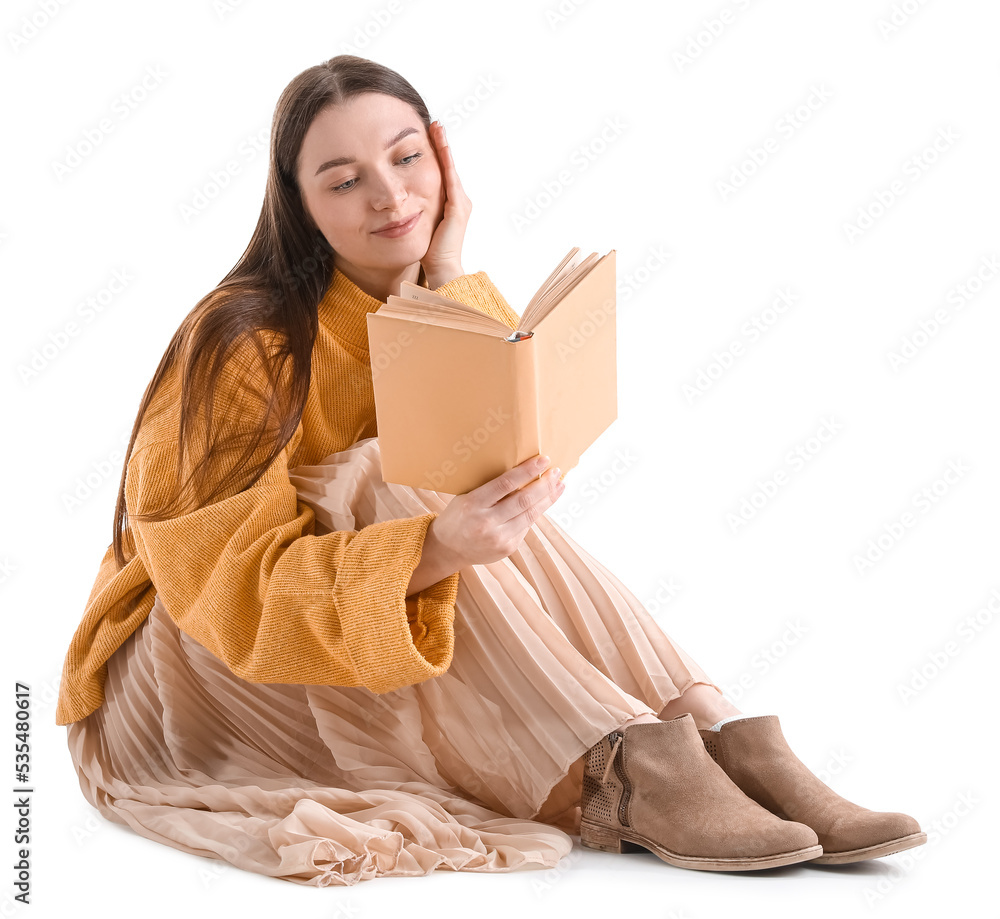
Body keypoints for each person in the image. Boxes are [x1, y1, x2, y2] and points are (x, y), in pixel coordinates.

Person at [55, 54, 926, 886]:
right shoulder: (243, 340)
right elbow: (221, 588)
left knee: (445, 476)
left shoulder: (428, 293)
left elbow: (507, 464)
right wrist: (431, 547)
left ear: (443, 160)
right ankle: (620, 768)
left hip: (335, 646)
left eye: (405, 158)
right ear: (298, 204)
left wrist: (450, 271)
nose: (391, 195)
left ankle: (712, 729)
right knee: (380, 475)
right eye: (344, 178)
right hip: (190, 672)